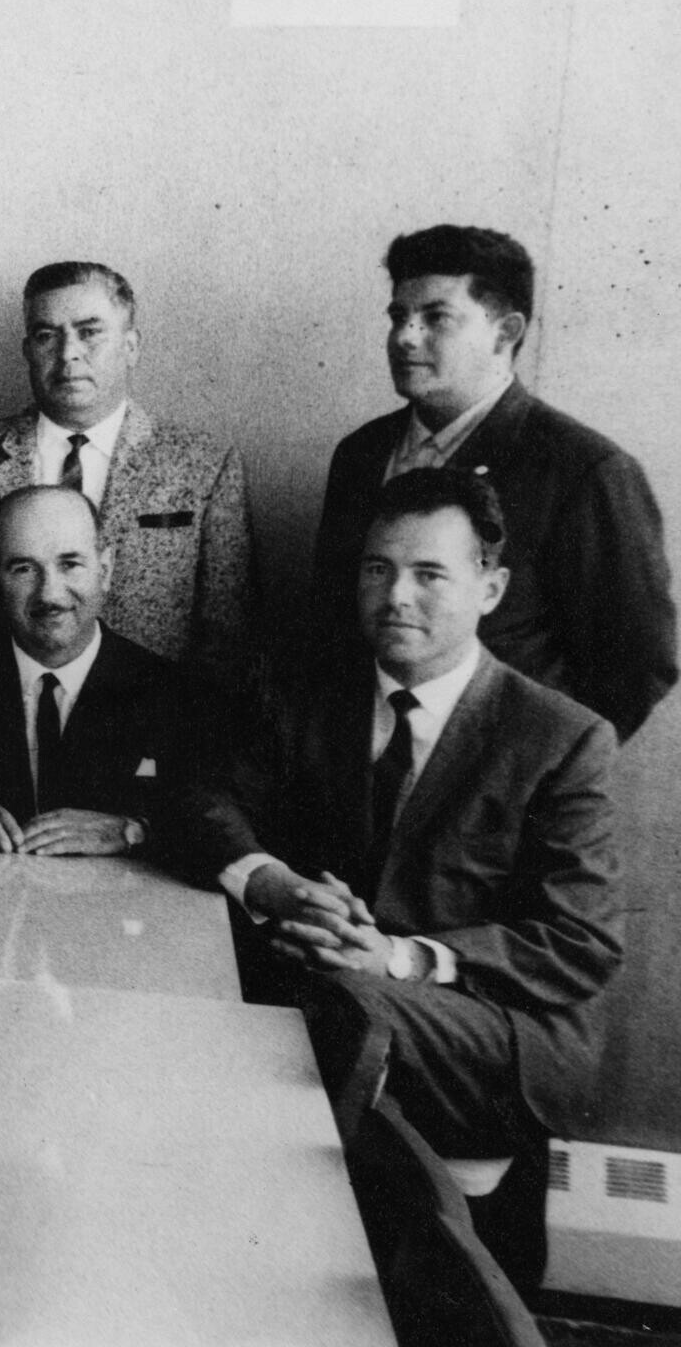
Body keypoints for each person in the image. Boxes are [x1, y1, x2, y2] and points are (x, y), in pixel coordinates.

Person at [180, 468, 623, 1285]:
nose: (396, 596)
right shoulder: (307, 691)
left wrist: (400, 958)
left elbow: (579, 941)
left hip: (493, 1026)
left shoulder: (562, 738)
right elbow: (207, 798)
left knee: (330, 1002)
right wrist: (277, 883)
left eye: (429, 574)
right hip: (339, 985)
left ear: (490, 588)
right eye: (377, 569)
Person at [310, 225, 674, 739]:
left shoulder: (583, 469)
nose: (405, 337)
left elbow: (636, 665)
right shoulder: (362, 454)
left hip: (491, 787)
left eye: (436, 318)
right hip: (354, 768)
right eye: (399, 317)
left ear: (505, 333)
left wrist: (532, 769)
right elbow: (329, 624)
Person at [0, 262, 252, 686]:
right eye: (46, 335)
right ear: (27, 351)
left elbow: (228, 640)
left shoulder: (203, 467)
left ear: (131, 346)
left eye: (89, 332)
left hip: (146, 727)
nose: (68, 352)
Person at [0, 485, 189, 854]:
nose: (49, 594)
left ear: (105, 570)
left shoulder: (174, 693)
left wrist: (132, 831)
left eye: (70, 564)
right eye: (23, 569)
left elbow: (215, 823)